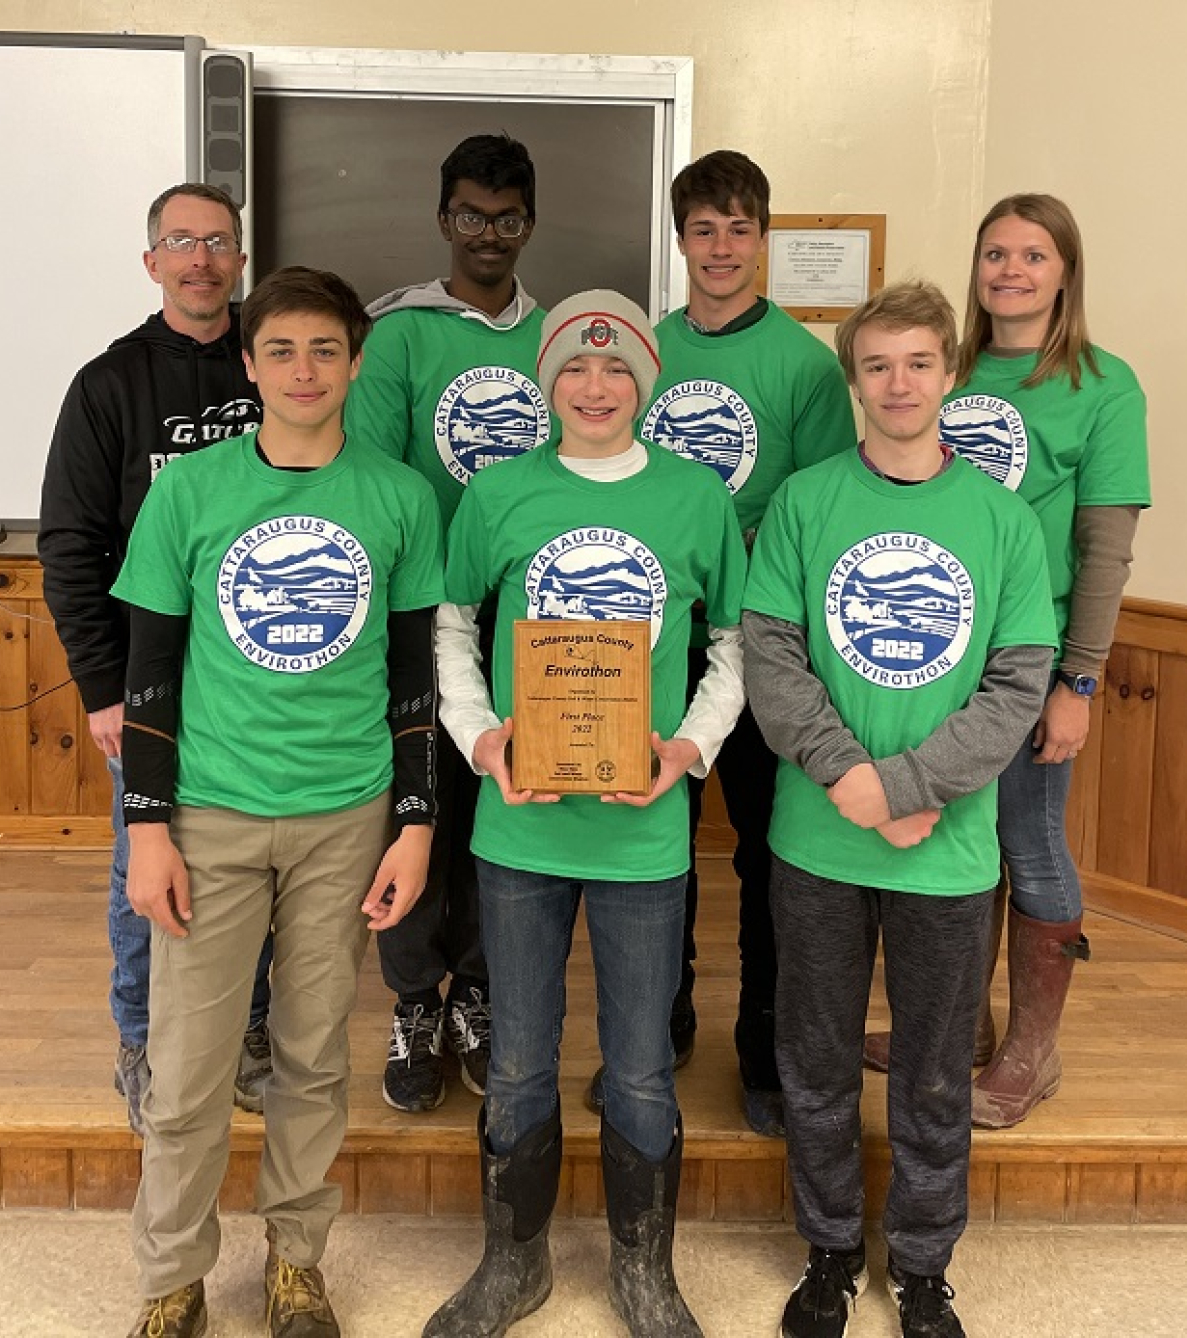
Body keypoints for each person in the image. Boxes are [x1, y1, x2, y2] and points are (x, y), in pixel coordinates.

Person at [114, 265, 444, 1338]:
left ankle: (296, 1259)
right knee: (190, 1064)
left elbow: (412, 677)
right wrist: (147, 827)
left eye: (326, 350)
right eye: (281, 350)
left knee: (311, 1055)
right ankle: (173, 1273)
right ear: (248, 363)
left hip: (345, 816)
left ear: (355, 362)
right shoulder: (190, 492)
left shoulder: (397, 496)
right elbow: (150, 671)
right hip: (207, 813)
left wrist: (416, 820)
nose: (304, 371)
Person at [423, 291, 747, 1338]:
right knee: (518, 1057)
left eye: (616, 371)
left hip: (644, 832)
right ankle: (511, 1264)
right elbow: (451, 625)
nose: (596, 387)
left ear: (643, 383)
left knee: (643, 1063)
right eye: (574, 369)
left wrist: (690, 747)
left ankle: (644, 1270)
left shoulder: (696, 499)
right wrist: (478, 735)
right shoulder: (499, 493)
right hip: (519, 827)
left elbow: (737, 646)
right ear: (548, 382)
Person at [743, 281, 1056, 1338]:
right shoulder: (803, 501)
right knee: (817, 1062)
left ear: (951, 372)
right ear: (853, 379)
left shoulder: (1002, 521)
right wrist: (852, 781)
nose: (899, 383)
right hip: (819, 837)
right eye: (877, 365)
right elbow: (771, 655)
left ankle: (923, 1264)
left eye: (919, 362)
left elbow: (1018, 685)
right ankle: (829, 1250)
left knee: (931, 1073)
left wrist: (909, 789)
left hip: (948, 852)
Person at [864, 196, 1151, 1128]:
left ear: (1066, 270)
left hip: (1032, 659)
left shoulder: (1104, 387)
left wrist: (1079, 680)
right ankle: (960, 1030)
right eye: (995, 253)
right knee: (965, 844)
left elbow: (1105, 547)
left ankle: (1034, 1051)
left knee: (1028, 841)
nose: (1011, 270)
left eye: (1034, 254)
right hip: (936, 645)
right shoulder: (946, 367)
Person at [597, 149, 856, 1136]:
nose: (720, 247)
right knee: (657, 843)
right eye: (702, 229)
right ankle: (654, 1032)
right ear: (680, 238)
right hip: (658, 646)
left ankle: (765, 1051)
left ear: (763, 239)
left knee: (765, 853)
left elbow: (826, 508)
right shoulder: (642, 352)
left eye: (738, 229)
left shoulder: (801, 363)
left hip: (766, 650)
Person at [38, 183, 273, 1134]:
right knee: (146, 869)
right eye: (181, 242)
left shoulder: (281, 365)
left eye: (218, 242)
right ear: (153, 263)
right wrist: (102, 689)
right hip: (152, 683)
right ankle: (140, 1040)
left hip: (271, 678)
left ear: (241, 259)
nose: (202, 259)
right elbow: (70, 544)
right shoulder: (109, 383)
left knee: (254, 865)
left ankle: (250, 1033)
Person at [344, 133, 547, 1113]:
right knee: (414, 807)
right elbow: (377, 480)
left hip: (530, 621)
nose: (490, 234)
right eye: (472, 214)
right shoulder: (402, 337)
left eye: (508, 218)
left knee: (492, 809)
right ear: (443, 220)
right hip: (420, 613)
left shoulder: (559, 341)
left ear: (530, 225)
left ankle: (477, 989)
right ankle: (413, 998)